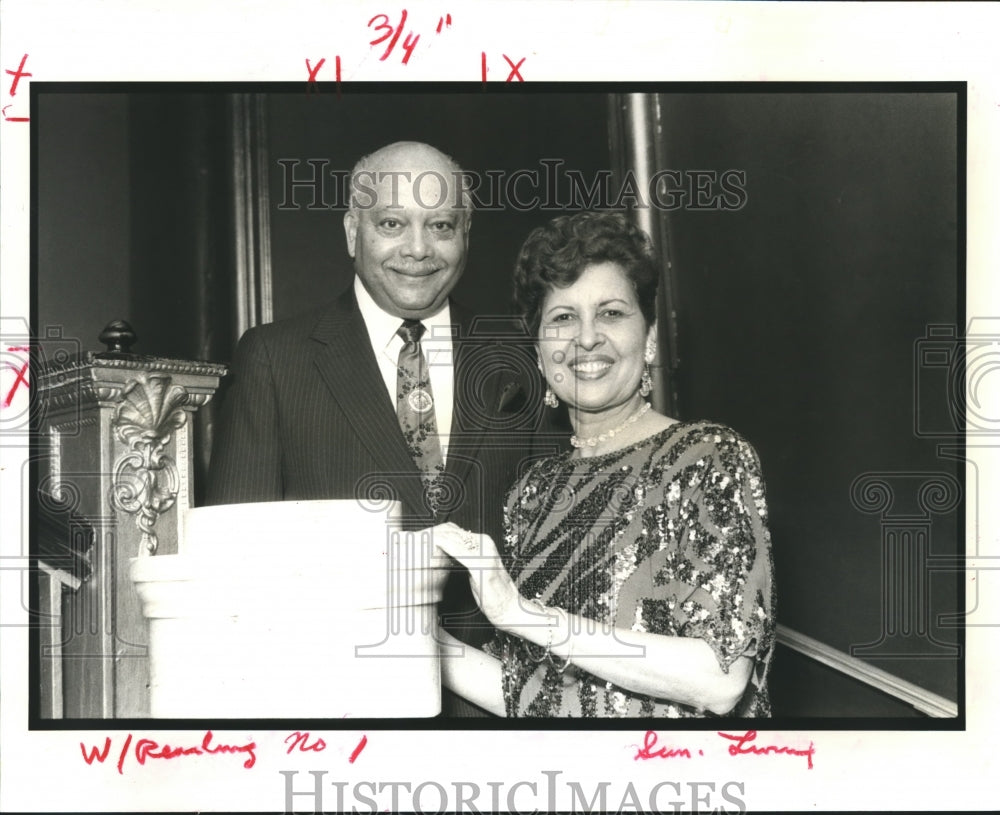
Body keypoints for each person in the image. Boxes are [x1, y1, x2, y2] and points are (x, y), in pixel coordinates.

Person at [206, 141, 553, 716]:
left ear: (466, 234)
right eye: (392, 223)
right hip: (339, 709)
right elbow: (239, 570)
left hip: (505, 710)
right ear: (352, 232)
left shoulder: (522, 356)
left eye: (441, 225)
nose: (418, 249)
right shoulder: (274, 360)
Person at [432, 211, 776, 717]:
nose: (586, 337)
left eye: (611, 313)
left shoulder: (709, 459)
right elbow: (524, 693)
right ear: (540, 350)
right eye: (563, 317)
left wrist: (520, 613)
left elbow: (720, 680)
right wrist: (412, 629)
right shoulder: (533, 491)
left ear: (650, 336)